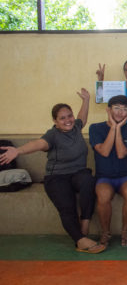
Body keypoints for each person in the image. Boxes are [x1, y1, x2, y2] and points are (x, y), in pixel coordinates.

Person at [0, 89, 105, 254]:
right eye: (62, 118)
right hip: (57, 178)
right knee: (67, 207)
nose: (68, 120)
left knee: (89, 181)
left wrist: (86, 100)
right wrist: (18, 151)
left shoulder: (76, 127)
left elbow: (82, 118)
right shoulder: (52, 135)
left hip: (78, 173)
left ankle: (85, 220)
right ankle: (80, 240)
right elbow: (38, 144)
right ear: (55, 121)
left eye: (69, 116)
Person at [89, 95, 127, 248]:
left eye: (125, 110)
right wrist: (114, 127)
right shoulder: (95, 128)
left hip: (126, 175)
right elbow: (104, 151)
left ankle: (125, 232)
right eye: (116, 108)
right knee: (103, 196)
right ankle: (105, 232)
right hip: (104, 177)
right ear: (108, 110)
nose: (120, 112)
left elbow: (121, 153)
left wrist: (118, 128)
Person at [96, 59, 127, 126]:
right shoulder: (118, 86)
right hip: (114, 125)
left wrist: (124, 111)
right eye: (126, 70)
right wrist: (100, 81)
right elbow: (99, 101)